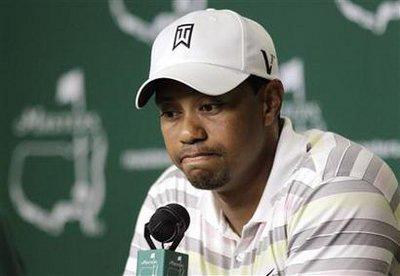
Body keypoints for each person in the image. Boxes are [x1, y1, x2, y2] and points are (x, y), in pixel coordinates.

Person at [124, 9, 399, 275]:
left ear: (269, 103)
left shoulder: (337, 186)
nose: (188, 132)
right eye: (171, 113)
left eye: (210, 106)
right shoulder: (171, 194)